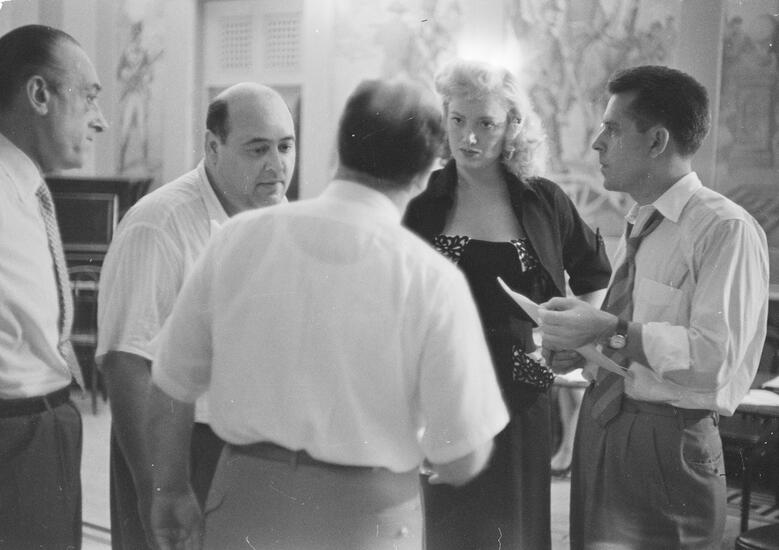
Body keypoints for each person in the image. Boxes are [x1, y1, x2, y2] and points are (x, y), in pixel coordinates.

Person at [146, 77, 509, 550]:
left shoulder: (236, 239)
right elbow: (463, 457)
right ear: (427, 171)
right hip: (367, 519)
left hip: (246, 503)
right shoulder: (431, 278)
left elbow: (169, 385)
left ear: (340, 149)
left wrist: (170, 489)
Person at [539, 65, 769, 549]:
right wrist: (585, 352)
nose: (597, 143)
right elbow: (635, 339)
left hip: (666, 442)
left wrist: (608, 329)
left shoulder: (724, 229)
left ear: (657, 141)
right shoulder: (643, 221)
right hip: (604, 424)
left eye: (612, 128)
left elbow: (714, 359)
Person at [403, 59, 611, 550]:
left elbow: (594, 273)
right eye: (458, 120)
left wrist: (571, 337)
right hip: (445, 392)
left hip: (521, 394)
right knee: (450, 529)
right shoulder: (423, 203)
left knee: (514, 529)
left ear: (513, 126)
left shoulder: (544, 200)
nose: (469, 137)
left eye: (486, 123)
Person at [96, 82, 296, 548]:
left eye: (285, 147)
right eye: (258, 149)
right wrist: (160, 489)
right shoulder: (158, 224)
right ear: (212, 147)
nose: (277, 165)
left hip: (254, 449)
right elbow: (126, 364)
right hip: (179, 448)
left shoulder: (280, 216)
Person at [0, 24, 107, 547]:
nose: (100, 120)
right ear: (39, 94)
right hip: (13, 436)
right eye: (89, 96)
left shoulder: (25, 188)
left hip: (46, 428)